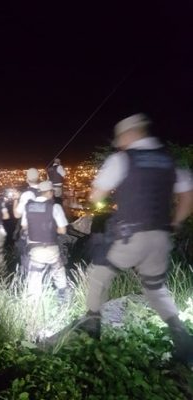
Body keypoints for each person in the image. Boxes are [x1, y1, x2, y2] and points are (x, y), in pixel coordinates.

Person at [78, 113, 193, 365]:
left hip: (131, 236)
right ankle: (182, 337)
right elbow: (188, 197)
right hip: (161, 237)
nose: (119, 144)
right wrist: (175, 223)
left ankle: (92, 328)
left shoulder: (122, 159)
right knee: (155, 287)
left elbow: (95, 195)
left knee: (99, 275)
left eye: (120, 139)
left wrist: (103, 202)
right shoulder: (170, 160)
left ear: (130, 135)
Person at [21, 180, 69, 303]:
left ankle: (35, 307)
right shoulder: (55, 207)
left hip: (34, 250)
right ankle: (62, 300)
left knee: (34, 280)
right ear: (49, 192)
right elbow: (63, 230)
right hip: (51, 248)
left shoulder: (28, 206)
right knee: (59, 274)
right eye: (52, 191)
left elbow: (24, 226)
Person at [13, 168, 41, 274]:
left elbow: (17, 214)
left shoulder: (26, 194)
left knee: (27, 262)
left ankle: (27, 284)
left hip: (29, 233)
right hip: (45, 232)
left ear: (27, 180)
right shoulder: (45, 192)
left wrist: (16, 199)